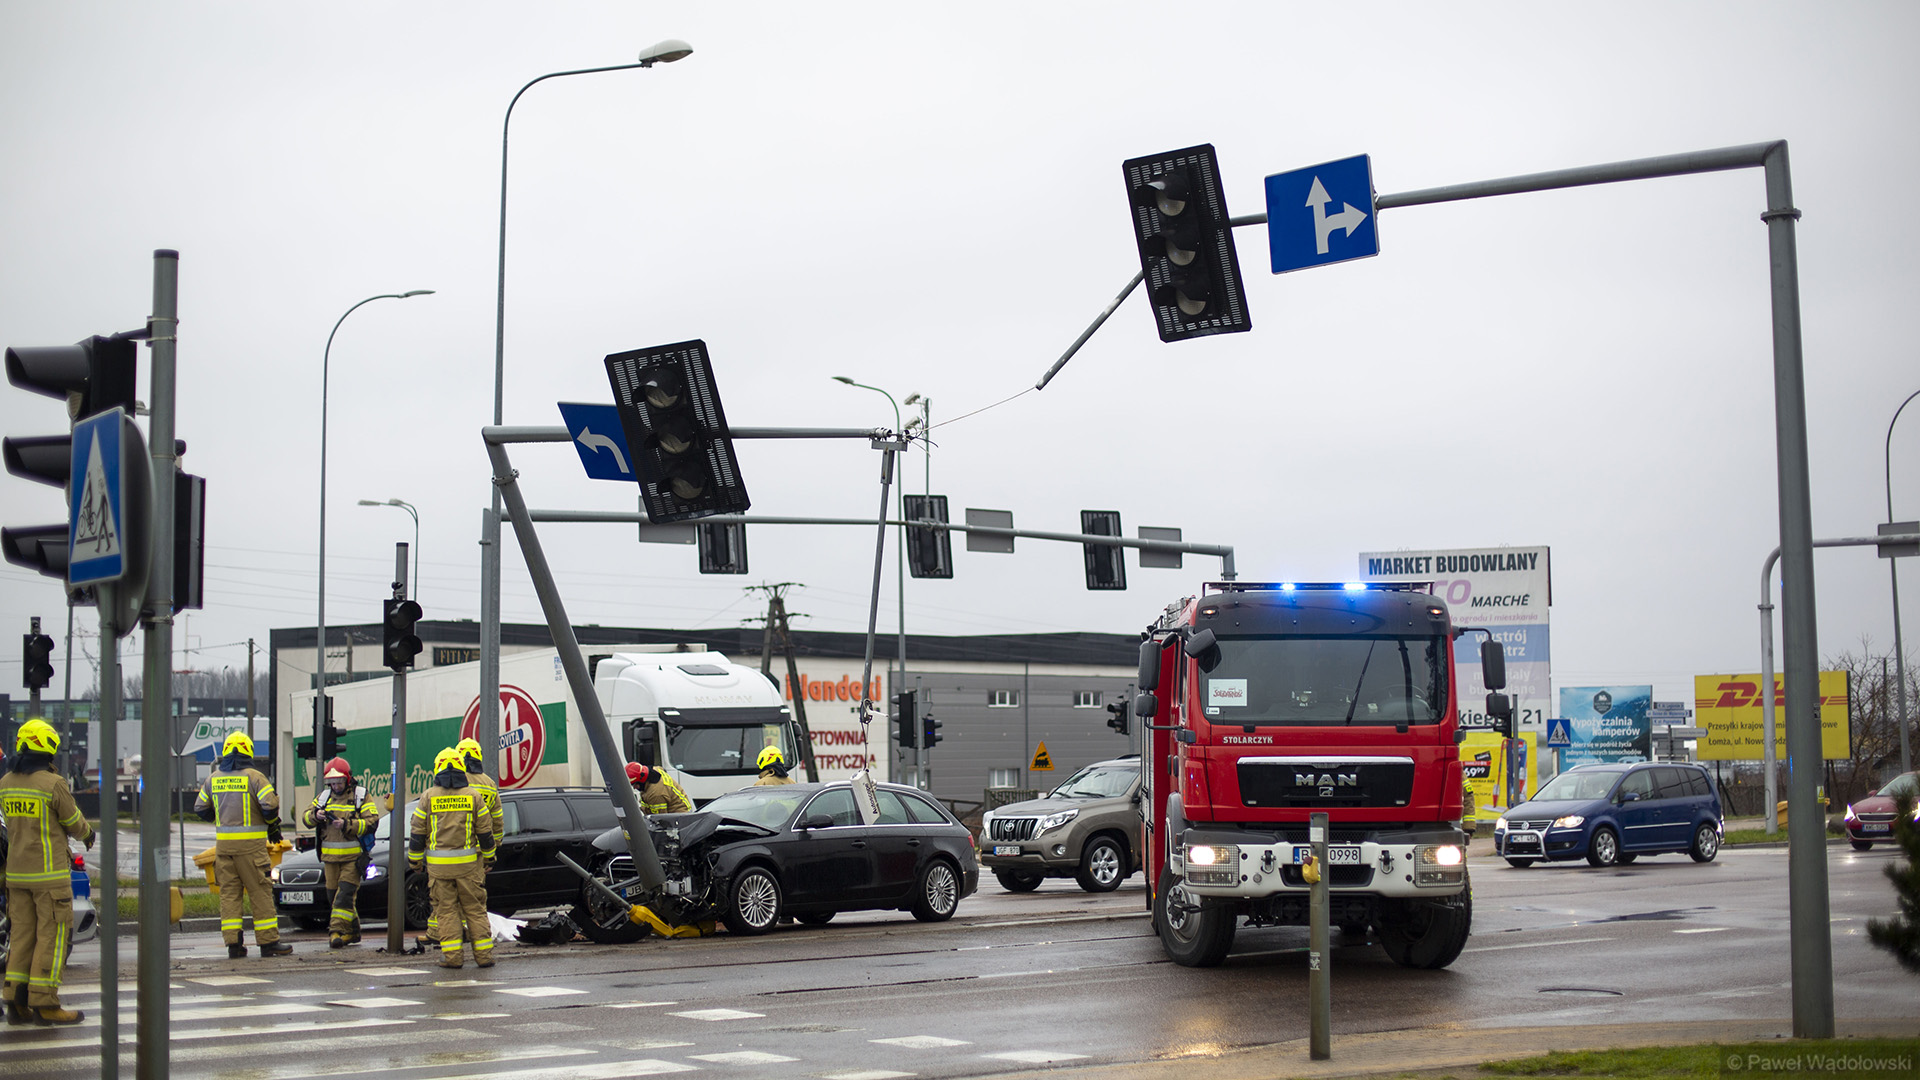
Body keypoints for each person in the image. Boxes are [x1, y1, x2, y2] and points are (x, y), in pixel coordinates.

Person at [0, 719, 95, 1025]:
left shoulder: (5, 784)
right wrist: (88, 834)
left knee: (21, 937)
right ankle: (46, 1002)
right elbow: (74, 822)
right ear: (49, 748)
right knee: (52, 938)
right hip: (49, 877)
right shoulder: (53, 784)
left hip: (16, 875)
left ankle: (15, 999)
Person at [194, 731, 290, 959]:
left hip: (224, 850)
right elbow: (269, 806)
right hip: (251, 849)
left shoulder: (213, 778)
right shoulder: (255, 777)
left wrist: (220, 817)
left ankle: (234, 945)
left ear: (226, 751)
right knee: (260, 892)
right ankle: (268, 943)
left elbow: (200, 808)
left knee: (229, 894)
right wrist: (271, 825)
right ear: (249, 752)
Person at [409, 747, 497, 969]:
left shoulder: (429, 796)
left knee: (446, 912)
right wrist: (489, 859)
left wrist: (415, 862)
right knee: (475, 910)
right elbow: (486, 833)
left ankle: (453, 958)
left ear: (437, 769)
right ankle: (484, 957)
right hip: (468, 867)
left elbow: (418, 833)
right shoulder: (473, 796)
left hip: (439, 869)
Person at [303, 756, 379, 948]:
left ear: (347, 779)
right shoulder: (323, 797)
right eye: (332, 783)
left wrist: (347, 825)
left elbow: (372, 822)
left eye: (339, 782)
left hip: (352, 859)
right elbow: (306, 817)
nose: (336, 786)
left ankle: (335, 932)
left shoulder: (361, 795)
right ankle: (352, 932)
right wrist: (315, 815)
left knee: (344, 896)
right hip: (330, 859)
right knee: (334, 897)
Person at [626, 762, 692, 814]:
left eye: (635, 784)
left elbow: (660, 819)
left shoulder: (656, 794)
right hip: (682, 809)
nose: (634, 788)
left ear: (642, 781)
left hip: (680, 817)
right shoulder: (655, 770)